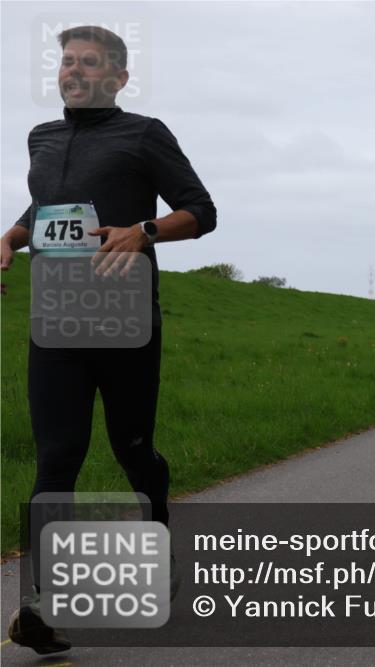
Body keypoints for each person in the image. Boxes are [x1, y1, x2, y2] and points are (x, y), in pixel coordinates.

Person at [1, 26, 216, 654]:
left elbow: (201, 211)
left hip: (125, 323)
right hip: (57, 322)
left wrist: (143, 230)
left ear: (118, 78)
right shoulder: (42, 137)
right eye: (67, 61)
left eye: (89, 63)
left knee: (133, 451)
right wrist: (10, 238)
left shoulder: (144, 133)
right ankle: (38, 605)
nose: (74, 71)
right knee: (57, 456)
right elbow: (44, 206)